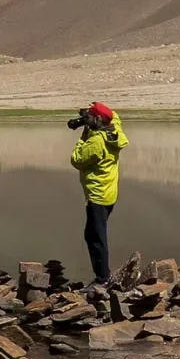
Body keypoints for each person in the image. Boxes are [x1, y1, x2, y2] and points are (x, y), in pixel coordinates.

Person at [68, 101, 126, 285]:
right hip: (109, 192)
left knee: (95, 238)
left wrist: (82, 138)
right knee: (94, 233)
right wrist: (88, 114)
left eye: (90, 118)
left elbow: (77, 160)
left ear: (98, 119)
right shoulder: (115, 131)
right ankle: (103, 275)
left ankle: (102, 278)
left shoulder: (95, 142)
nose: (87, 120)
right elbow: (114, 115)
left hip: (97, 195)